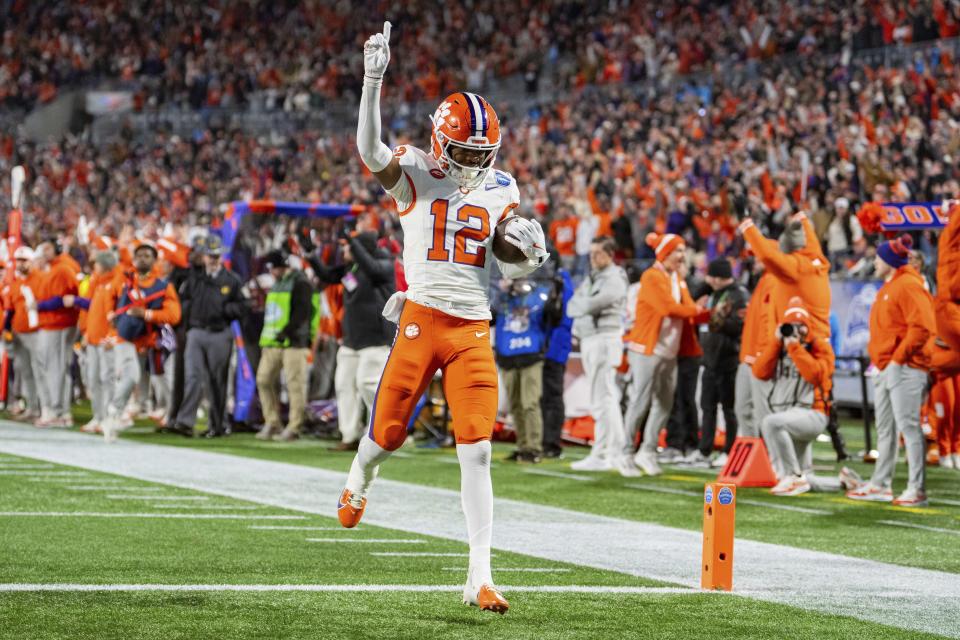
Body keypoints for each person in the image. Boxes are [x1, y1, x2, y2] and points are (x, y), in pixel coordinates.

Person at [340, 21, 547, 614]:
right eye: (462, 152)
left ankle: (478, 574)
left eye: (480, 155)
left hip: (471, 328)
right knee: (387, 436)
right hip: (422, 319)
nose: (469, 164)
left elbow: (506, 264)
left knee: (477, 449)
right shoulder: (415, 171)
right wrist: (372, 80)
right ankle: (359, 479)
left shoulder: (500, 187)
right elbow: (369, 151)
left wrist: (526, 255)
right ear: (439, 141)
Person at [847, 235, 935, 506]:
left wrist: (897, 359)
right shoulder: (891, 285)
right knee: (885, 428)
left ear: (889, 261)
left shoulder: (908, 284)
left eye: (878, 257)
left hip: (905, 367)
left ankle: (915, 488)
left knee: (908, 427)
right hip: (887, 366)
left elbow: (922, 327)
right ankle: (881, 483)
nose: (874, 261)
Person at [311, 215, 396, 451]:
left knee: (368, 386)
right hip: (351, 341)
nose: (345, 251)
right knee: (344, 385)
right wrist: (311, 255)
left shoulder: (384, 264)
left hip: (375, 340)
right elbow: (328, 276)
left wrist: (352, 240)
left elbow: (373, 268)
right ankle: (349, 436)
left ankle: (378, 434)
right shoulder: (353, 267)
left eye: (348, 247)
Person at [621, 233, 703, 477]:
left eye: (683, 251)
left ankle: (647, 450)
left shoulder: (676, 277)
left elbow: (688, 307)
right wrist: (698, 310)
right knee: (640, 400)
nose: (682, 256)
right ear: (665, 253)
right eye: (678, 251)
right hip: (647, 347)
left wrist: (704, 313)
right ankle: (624, 452)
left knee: (664, 403)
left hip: (669, 350)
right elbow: (670, 308)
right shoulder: (652, 276)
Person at [754, 297, 847, 496]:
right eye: (791, 326)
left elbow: (816, 375)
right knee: (804, 476)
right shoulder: (779, 348)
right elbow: (760, 372)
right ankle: (843, 482)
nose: (795, 331)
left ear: (808, 327)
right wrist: (776, 342)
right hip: (788, 413)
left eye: (800, 326)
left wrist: (795, 348)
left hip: (812, 414)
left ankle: (792, 477)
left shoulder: (819, 347)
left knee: (770, 423)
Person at [102, 243, 181, 442]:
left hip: (149, 340)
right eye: (139, 255)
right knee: (131, 376)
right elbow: (108, 300)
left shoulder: (163, 286)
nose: (142, 259)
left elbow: (174, 315)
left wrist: (146, 314)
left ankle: (167, 413)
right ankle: (114, 413)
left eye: (147, 255)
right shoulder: (124, 279)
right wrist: (111, 319)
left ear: (154, 260)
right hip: (126, 337)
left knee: (160, 378)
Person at [171, 235, 247, 438]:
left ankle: (218, 424)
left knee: (217, 381)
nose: (213, 259)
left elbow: (242, 306)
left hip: (220, 333)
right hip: (196, 332)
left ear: (220, 256)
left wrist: (225, 310)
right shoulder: (195, 277)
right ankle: (185, 421)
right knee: (193, 377)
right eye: (210, 255)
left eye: (216, 255)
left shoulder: (231, 280)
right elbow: (183, 298)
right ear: (204, 257)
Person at [567, 236, 628, 473]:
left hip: (604, 339)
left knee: (602, 399)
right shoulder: (595, 277)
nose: (593, 258)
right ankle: (615, 450)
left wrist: (584, 303)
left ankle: (603, 453)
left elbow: (587, 305)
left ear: (610, 255)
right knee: (606, 398)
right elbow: (573, 305)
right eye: (591, 253)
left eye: (598, 253)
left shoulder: (614, 278)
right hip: (593, 339)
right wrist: (583, 303)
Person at [685, 258, 748, 468]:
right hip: (710, 358)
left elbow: (740, 326)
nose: (707, 279)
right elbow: (692, 298)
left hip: (728, 359)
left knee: (729, 409)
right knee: (708, 407)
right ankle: (704, 450)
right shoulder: (713, 292)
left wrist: (717, 321)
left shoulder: (738, 295)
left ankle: (729, 451)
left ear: (719, 277)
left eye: (710, 276)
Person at [256, 250, 316, 442]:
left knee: (294, 385)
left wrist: (287, 332)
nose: (271, 272)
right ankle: (272, 422)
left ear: (281, 266)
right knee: (263, 379)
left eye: (273, 268)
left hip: (294, 342)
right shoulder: (279, 282)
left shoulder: (301, 282)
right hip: (273, 341)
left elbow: (302, 313)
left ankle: (294, 427)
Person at [494, 276, 551, 463]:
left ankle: (534, 448)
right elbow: (490, 315)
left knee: (530, 403)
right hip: (508, 358)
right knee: (515, 406)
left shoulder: (537, 295)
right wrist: (503, 291)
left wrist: (525, 289)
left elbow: (549, 311)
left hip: (531, 356)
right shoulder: (503, 298)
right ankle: (522, 446)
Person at [30, 238, 80, 427]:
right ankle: (58, 411)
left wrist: (38, 305)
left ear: (57, 248)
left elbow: (63, 299)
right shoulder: (52, 268)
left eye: (48, 248)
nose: (45, 252)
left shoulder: (63, 268)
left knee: (57, 368)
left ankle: (59, 411)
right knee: (54, 368)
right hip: (50, 324)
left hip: (59, 324)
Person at [77, 251, 122, 433]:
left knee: (107, 378)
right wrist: (86, 331)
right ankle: (98, 416)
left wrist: (113, 334)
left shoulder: (117, 282)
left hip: (106, 340)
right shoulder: (97, 282)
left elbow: (119, 313)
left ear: (104, 265)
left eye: (97, 263)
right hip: (94, 337)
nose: (94, 266)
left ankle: (109, 418)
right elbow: (90, 310)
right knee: (93, 378)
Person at [541, 256, 573, 459]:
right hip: (547, 345)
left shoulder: (561, 283)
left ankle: (552, 443)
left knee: (552, 395)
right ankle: (544, 441)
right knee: (544, 396)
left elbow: (562, 316)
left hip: (554, 347)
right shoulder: (557, 281)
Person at [4, 246, 42, 420]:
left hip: (37, 332)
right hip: (19, 333)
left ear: (32, 261)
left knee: (40, 371)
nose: (20, 264)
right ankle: (32, 407)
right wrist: (6, 329)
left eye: (24, 260)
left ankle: (45, 408)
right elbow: (10, 309)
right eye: (18, 260)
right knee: (25, 372)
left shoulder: (40, 279)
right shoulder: (16, 283)